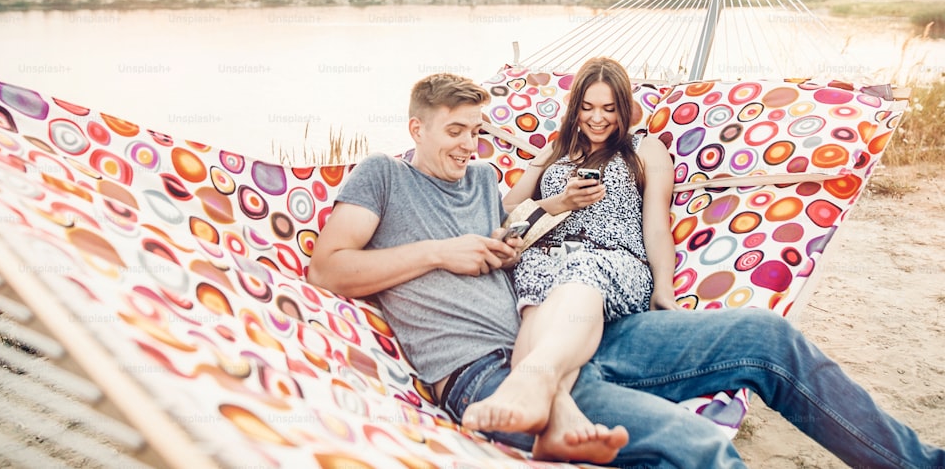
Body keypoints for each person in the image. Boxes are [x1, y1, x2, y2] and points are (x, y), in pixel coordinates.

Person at [307, 67, 944, 468]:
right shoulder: (382, 175)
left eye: (477, 130)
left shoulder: (481, 180)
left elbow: (514, 232)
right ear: (415, 126)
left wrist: (519, 233)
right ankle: (544, 401)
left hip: (590, 328)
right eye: (454, 130)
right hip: (488, 370)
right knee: (698, 449)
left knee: (765, 336)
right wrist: (439, 253)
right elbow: (328, 271)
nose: (468, 144)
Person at [460, 57, 682, 436]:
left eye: (610, 109)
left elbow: (657, 227)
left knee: (582, 274)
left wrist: (664, 287)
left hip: (611, 259)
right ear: (575, 106)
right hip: (545, 255)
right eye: (588, 107)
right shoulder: (556, 149)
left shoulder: (646, 149)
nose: (598, 119)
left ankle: (525, 382)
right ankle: (560, 417)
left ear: (625, 108)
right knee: (534, 297)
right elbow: (505, 213)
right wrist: (557, 202)